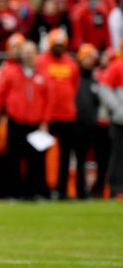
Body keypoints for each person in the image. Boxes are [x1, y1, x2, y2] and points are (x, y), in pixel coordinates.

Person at [0, 41, 52, 200]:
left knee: (36, 160)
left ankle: (34, 192)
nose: (28, 55)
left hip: (36, 123)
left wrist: (45, 122)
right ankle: (15, 192)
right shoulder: (11, 72)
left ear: (37, 54)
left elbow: (49, 101)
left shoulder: (43, 74)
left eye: (31, 51)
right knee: (13, 158)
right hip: (16, 121)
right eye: (25, 52)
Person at [36, 29, 81, 199]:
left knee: (65, 156)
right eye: (57, 44)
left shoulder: (71, 64)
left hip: (67, 115)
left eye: (62, 45)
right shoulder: (41, 62)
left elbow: (74, 87)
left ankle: (62, 190)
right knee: (42, 155)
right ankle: (44, 189)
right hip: (47, 116)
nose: (59, 48)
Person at [74, 44, 101, 199]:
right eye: (85, 58)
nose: (88, 61)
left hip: (92, 125)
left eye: (90, 58)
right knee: (76, 159)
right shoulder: (75, 77)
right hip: (76, 124)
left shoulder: (95, 79)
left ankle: (87, 190)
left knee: (86, 160)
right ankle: (76, 189)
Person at [97, 49, 123, 198]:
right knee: (118, 155)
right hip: (120, 121)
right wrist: (118, 110)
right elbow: (104, 88)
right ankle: (116, 189)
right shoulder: (117, 65)